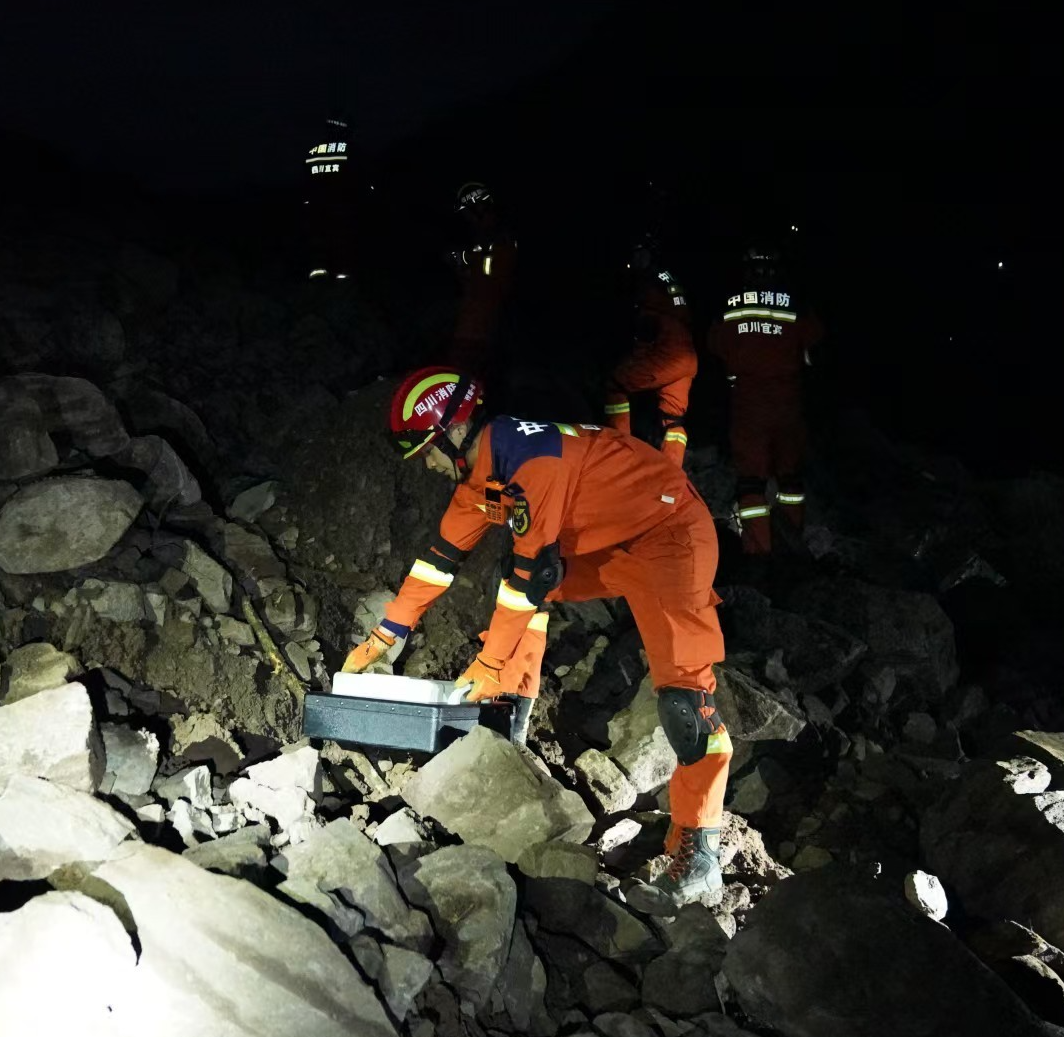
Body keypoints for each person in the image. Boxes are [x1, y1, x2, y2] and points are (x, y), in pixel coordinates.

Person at [345, 367, 733, 908]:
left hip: (671, 540)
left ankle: (701, 851)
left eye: (428, 452)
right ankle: (510, 722)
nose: (429, 467)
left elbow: (529, 579)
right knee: (526, 574)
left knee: (685, 707)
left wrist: (489, 659)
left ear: (455, 432)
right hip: (609, 541)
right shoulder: (482, 473)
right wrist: (387, 632)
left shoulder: (533, 463)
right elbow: (439, 559)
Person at [705, 245, 824, 557]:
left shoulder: (731, 304)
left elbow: (715, 345)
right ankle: (791, 543)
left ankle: (758, 553)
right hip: (789, 403)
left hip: (748, 403)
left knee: (750, 482)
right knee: (790, 479)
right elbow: (815, 346)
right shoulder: (796, 304)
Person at [605, 239, 697, 468]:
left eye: (638, 255)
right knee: (673, 420)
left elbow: (647, 328)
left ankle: (620, 451)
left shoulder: (647, 281)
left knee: (615, 384)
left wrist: (637, 358)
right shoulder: (671, 280)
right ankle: (671, 475)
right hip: (688, 355)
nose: (634, 261)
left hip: (666, 353)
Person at [448, 182, 518, 377]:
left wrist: (464, 262)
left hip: (481, 331)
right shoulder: (480, 241)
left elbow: (488, 281)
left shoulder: (498, 240)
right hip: (475, 329)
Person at [302, 116, 355, 280]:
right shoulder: (350, 150)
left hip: (316, 204)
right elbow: (360, 178)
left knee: (319, 237)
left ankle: (318, 270)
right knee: (340, 237)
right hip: (341, 203)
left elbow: (304, 180)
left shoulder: (314, 150)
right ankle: (341, 272)